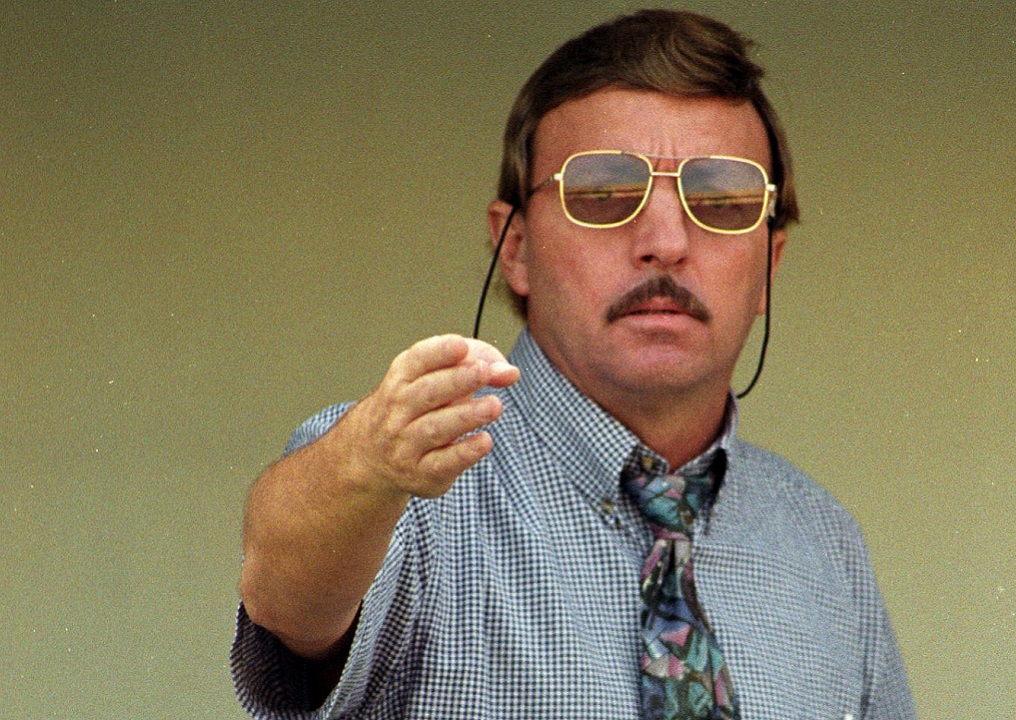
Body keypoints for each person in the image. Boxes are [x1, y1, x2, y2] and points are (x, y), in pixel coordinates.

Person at [232, 9, 916, 720]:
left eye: (720, 199)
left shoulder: (824, 542)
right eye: (603, 193)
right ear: (517, 248)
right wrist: (362, 469)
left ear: (769, 266)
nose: (665, 241)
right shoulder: (403, 476)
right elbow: (282, 596)